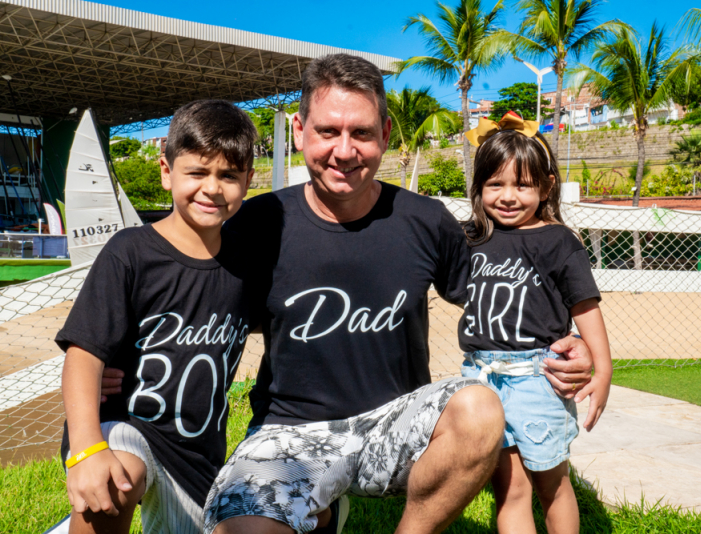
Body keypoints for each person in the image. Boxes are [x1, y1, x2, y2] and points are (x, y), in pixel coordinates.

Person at [196, 55, 595, 534]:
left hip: (399, 427)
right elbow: (191, 307)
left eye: (361, 133)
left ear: (385, 133)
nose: (344, 151)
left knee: (479, 407)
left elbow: (501, 292)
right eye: (328, 131)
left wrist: (571, 338)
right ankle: (317, 503)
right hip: (293, 430)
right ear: (300, 130)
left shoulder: (425, 220)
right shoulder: (256, 224)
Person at [57, 100, 260, 534]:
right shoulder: (130, 253)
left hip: (197, 460)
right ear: (167, 171)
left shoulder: (247, 268)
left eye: (228, 175)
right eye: (197, 172)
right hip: (124, 427)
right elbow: (83, 354)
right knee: (118, 478)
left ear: (248, 181)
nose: (212, 188)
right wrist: (86, 449)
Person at [458, 112, 612, 534]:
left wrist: (604, 369)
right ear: (479, 188)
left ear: (545, 186)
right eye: (495, 184)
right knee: (509, 489)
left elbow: (585, 307)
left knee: (552, 485)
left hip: (538, 379)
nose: (508, 196)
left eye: (522, 185)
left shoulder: (558, 240)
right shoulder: (471, 238)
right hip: (481, 379)